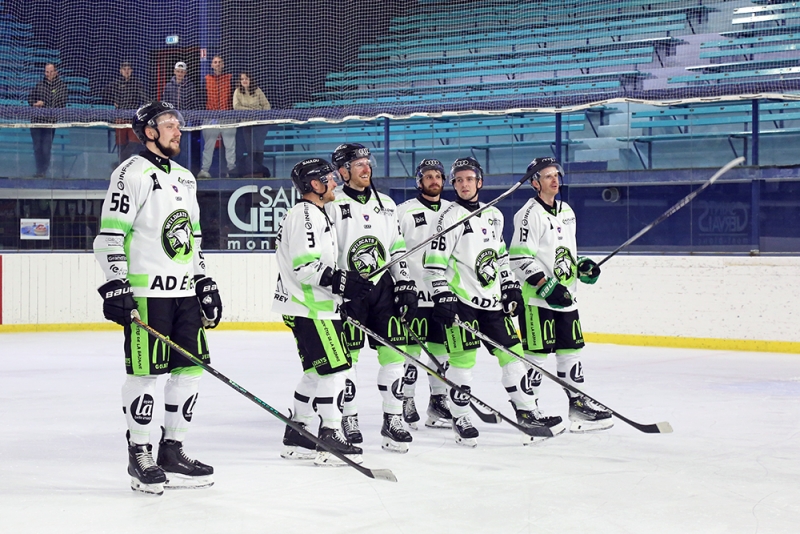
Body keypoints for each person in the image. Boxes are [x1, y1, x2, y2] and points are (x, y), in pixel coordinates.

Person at [92, 101, 222, 495]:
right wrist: (116, 283)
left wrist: (203, 281)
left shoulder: (186, 178)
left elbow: (192, 238)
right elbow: (110, 234)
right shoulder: (130, 173)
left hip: (184, 294)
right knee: (146, 374)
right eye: (168, 125)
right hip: (148, 295)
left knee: (190, 370)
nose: (177, 131)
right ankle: (140, 452)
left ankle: (172, 449)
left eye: (178, 125)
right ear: (148, 132)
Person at [423, 157, 565, 447]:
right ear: (454, 184)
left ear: (480, 182)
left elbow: (500, 257)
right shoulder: (448, 217)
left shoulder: (494, 215)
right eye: (459, 180)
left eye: (469, 179)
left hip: (492, 303)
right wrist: (442, 295)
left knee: (513, 357)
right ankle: (460, 417)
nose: (464, 184)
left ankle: (527, 412)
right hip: (461, 302)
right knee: (462, 365)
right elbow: (433, 263)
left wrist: (510, 286)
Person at [272, 158, 374, 465]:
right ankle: (329, 433)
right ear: (315, 185)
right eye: (329, 177)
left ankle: (297, 430)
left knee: (315, 372)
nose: (336, 181)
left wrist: (346, 284)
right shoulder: (306, 214)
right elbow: (306, 268)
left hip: (309, 306)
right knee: (338, 370)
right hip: (312, 308)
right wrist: (345, 282)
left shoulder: (315, 213)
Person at [324, 143, 418, 453]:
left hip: (382, 290)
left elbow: (397, 246)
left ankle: (392, 419)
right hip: (348, 292)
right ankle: (348, 417)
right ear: (343, 171)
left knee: (394, 354)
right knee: (347, 360)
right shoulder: (331, 204)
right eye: (359, 164)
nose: (367, 168)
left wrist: (404, 282)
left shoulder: (387, 204)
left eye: (368, 162)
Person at [509, 157, 613, 433]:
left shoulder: (567, 211)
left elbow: (566, 253)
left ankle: (578, 406)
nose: (555, 180)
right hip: (536, 299)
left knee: (571, 351)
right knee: (537, 355)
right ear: (534, 182)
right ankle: (529, 409)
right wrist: (545, 285)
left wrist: (582, 267)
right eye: (547, 176)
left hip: (566, 297)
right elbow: (519, 258)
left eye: (556, 175)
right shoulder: (528, 214)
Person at [395, 159, 453, 430]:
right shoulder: (404, 211)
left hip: (442, 294)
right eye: (427, 176)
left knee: (441, 351)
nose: (433, 180)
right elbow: (394, 251)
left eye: (438, 176)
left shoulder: (454, 211)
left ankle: (438, 401)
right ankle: (405, 398)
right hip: (414, 294)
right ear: (419, 181)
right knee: (411, 352)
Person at [198, 56, 235, 179]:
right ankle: (204, 170)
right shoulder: (206, 79)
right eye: (215, 62)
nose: (217, 64)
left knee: (230, 146)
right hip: (210, 117)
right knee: (208, 146)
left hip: (228, 117)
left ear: (223, 64)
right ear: (212, 65)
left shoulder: (230, 78)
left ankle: (232, 170)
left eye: (220, 62)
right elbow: (202, 98)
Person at [27, 63, 67, 177]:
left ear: (56, 72)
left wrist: (44, 104)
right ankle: (40, 171)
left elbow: (61, 103)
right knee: (37, 147)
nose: (48, 74)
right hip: (36, 121)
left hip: (50, 123)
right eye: (46, 72)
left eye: (50, 72)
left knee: (46, 148)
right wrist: (35, 103)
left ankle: (43, 170)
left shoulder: (62, 87)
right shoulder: (39, 85)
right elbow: (30, 98)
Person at [107, 61, 149, 162]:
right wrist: (114, 101)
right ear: (120, 71)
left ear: (131, 71)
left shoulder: (137, 84)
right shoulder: (115, 84)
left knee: (134, 142)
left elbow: (145, 98)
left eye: (128, 69)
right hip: (120, 117)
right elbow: (106, 94)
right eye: (124, 69)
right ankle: (121, 166)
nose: (126, 71)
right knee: (121, 144)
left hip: (132, 117)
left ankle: (122, 163)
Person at [161, 61, 199, 170]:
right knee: (172, 144)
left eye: (182, 72)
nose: (180, 74)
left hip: (186, 121)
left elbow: (194, 103)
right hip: (172, 122)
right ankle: (172, 168)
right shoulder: (168, 86)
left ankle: (184, 169)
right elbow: (165, 104)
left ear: (185, 73)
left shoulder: (190, 86)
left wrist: (190, 117)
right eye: (178, 71)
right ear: (174, 72)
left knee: (185, 146)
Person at [232, 72, 271, 177]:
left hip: (260, 124)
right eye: (242, 79)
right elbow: (236, 107)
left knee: (259, 148)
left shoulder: (257, 91)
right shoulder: (238, 92)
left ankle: (259, 170)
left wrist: (262, 116)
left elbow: (266, 105)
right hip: (247, 124)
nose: (244, 81)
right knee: (251, 148)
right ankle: (252, 170)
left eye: (246, 78)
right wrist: (252, 111)